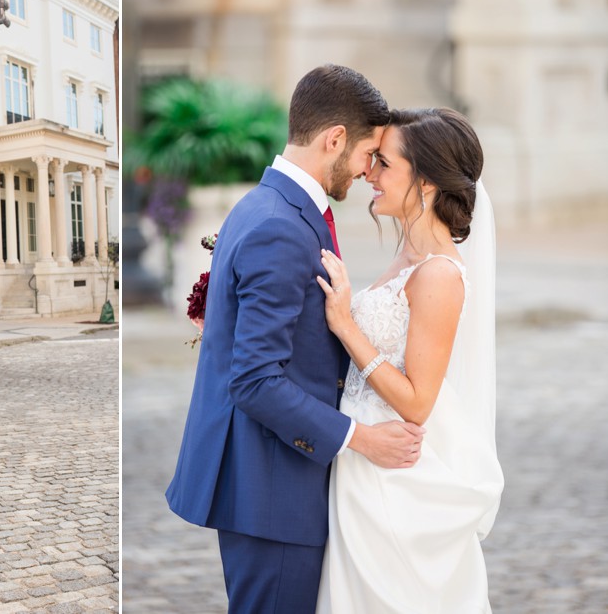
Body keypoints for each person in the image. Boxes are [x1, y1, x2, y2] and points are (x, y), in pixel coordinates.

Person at [166, 64, 426, 614]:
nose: (367, 171)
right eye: (366, 155)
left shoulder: (268, 204)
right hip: (271, 489)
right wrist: (361, 438)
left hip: (273, 482)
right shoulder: (281, 224)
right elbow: (256, 381)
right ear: (334, 139)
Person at [315, 108, 504, 612]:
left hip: (393, 476)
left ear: (424, 181)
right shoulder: (407, 258)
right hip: (358, 458)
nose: (369, 175)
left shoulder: (441, 274)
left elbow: (418, 403)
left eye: (384, 165)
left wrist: (346, 324)